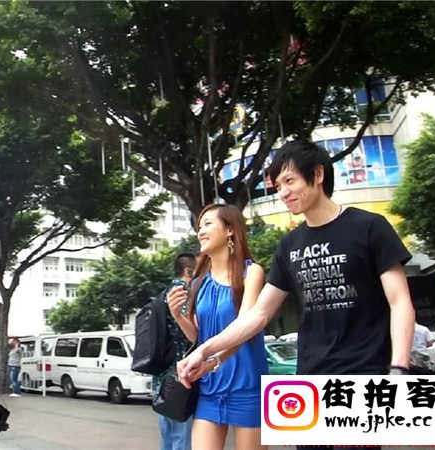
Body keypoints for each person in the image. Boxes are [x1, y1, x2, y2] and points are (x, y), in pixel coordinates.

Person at [177, 141, 415, 450]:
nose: (283, 192)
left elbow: (400, 302)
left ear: (318, 175)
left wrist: (399, 368)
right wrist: (205, 351)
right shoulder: (290, 245)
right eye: (278, 186)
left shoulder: (369, 226)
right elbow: (259, 314)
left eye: (290, 181)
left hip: (363, 373)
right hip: (309, 378)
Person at [167, 205, 267, 450]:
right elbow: (198, 337)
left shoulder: (251, 272)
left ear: (230, 229)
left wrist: (211, 359)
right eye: (199, 227)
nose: (200, 232)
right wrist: (178, 316)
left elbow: (245, 327)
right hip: (209, 386)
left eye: (208, 224)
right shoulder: (199, 283)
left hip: (248, 386)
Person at [153, 252, 196, 450]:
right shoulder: (182, 292)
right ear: (188, 271)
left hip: (160, 378)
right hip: (179, 376)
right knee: (181, 437)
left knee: (167, 437)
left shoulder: (162, 295)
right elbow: (191, 334)